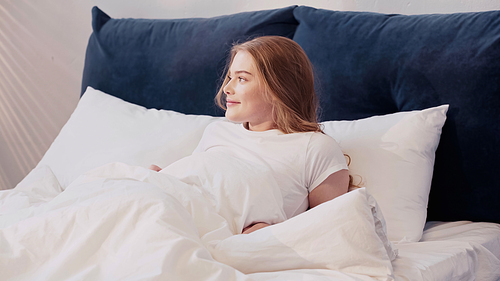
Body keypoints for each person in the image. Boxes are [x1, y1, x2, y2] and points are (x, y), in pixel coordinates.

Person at [150, 36, 350, 234]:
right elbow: (199, 186)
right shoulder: (217, 131)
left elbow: (329, 231)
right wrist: (165, 180)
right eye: (230, 78)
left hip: (228, 242)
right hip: (175, 220)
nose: (227, 89)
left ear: (278, 87)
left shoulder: (315, 148)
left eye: (242, 79)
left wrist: (272, 233)